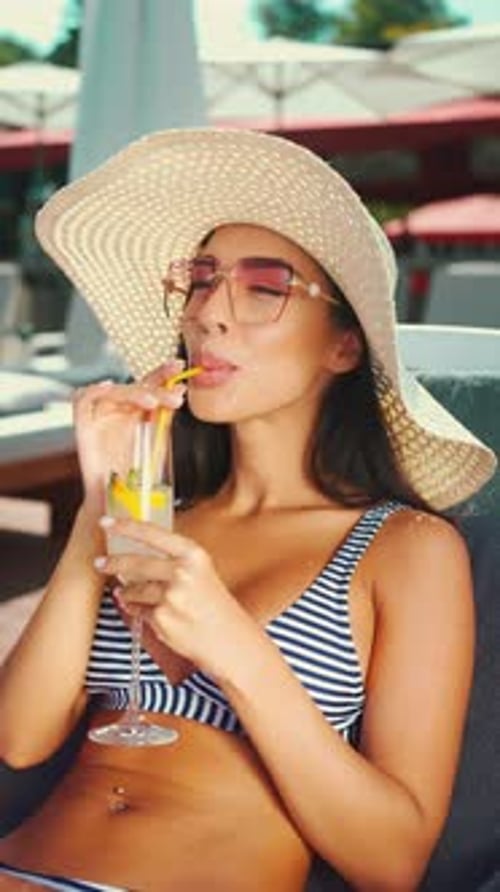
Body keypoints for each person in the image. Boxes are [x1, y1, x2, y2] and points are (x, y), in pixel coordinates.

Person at [0, 129, 496, 892]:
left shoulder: (405, 548)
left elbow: (393, 862)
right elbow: (22, 739)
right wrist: (98, 508)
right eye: (200, 281)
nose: (209, 314)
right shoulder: (159, 519)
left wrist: (234, 646)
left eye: (264, 286)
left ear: (344, 346)